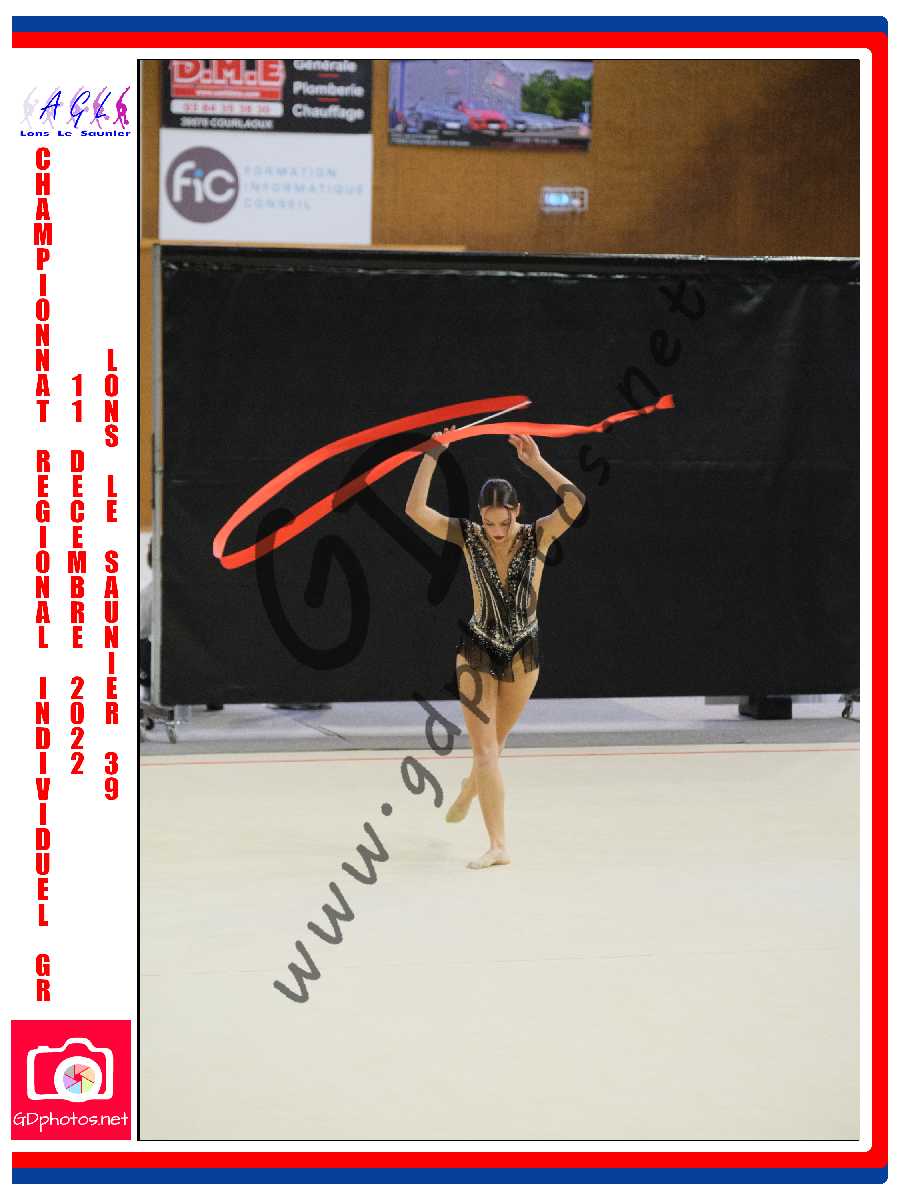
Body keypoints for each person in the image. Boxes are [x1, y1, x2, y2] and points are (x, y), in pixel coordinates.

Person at [405, 423, 586, 869]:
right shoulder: (469, 536)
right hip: (477, 649)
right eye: (489, 522)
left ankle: (471, 788)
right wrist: (433, 452)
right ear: (480, 516)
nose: (497, 531)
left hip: (524, 651)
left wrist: (537, 463)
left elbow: (576, 503)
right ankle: (498, 845)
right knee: (486, 751)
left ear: (516, 511)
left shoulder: (538, 534)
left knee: (496, 746)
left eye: (503, 522)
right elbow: (415, 509)